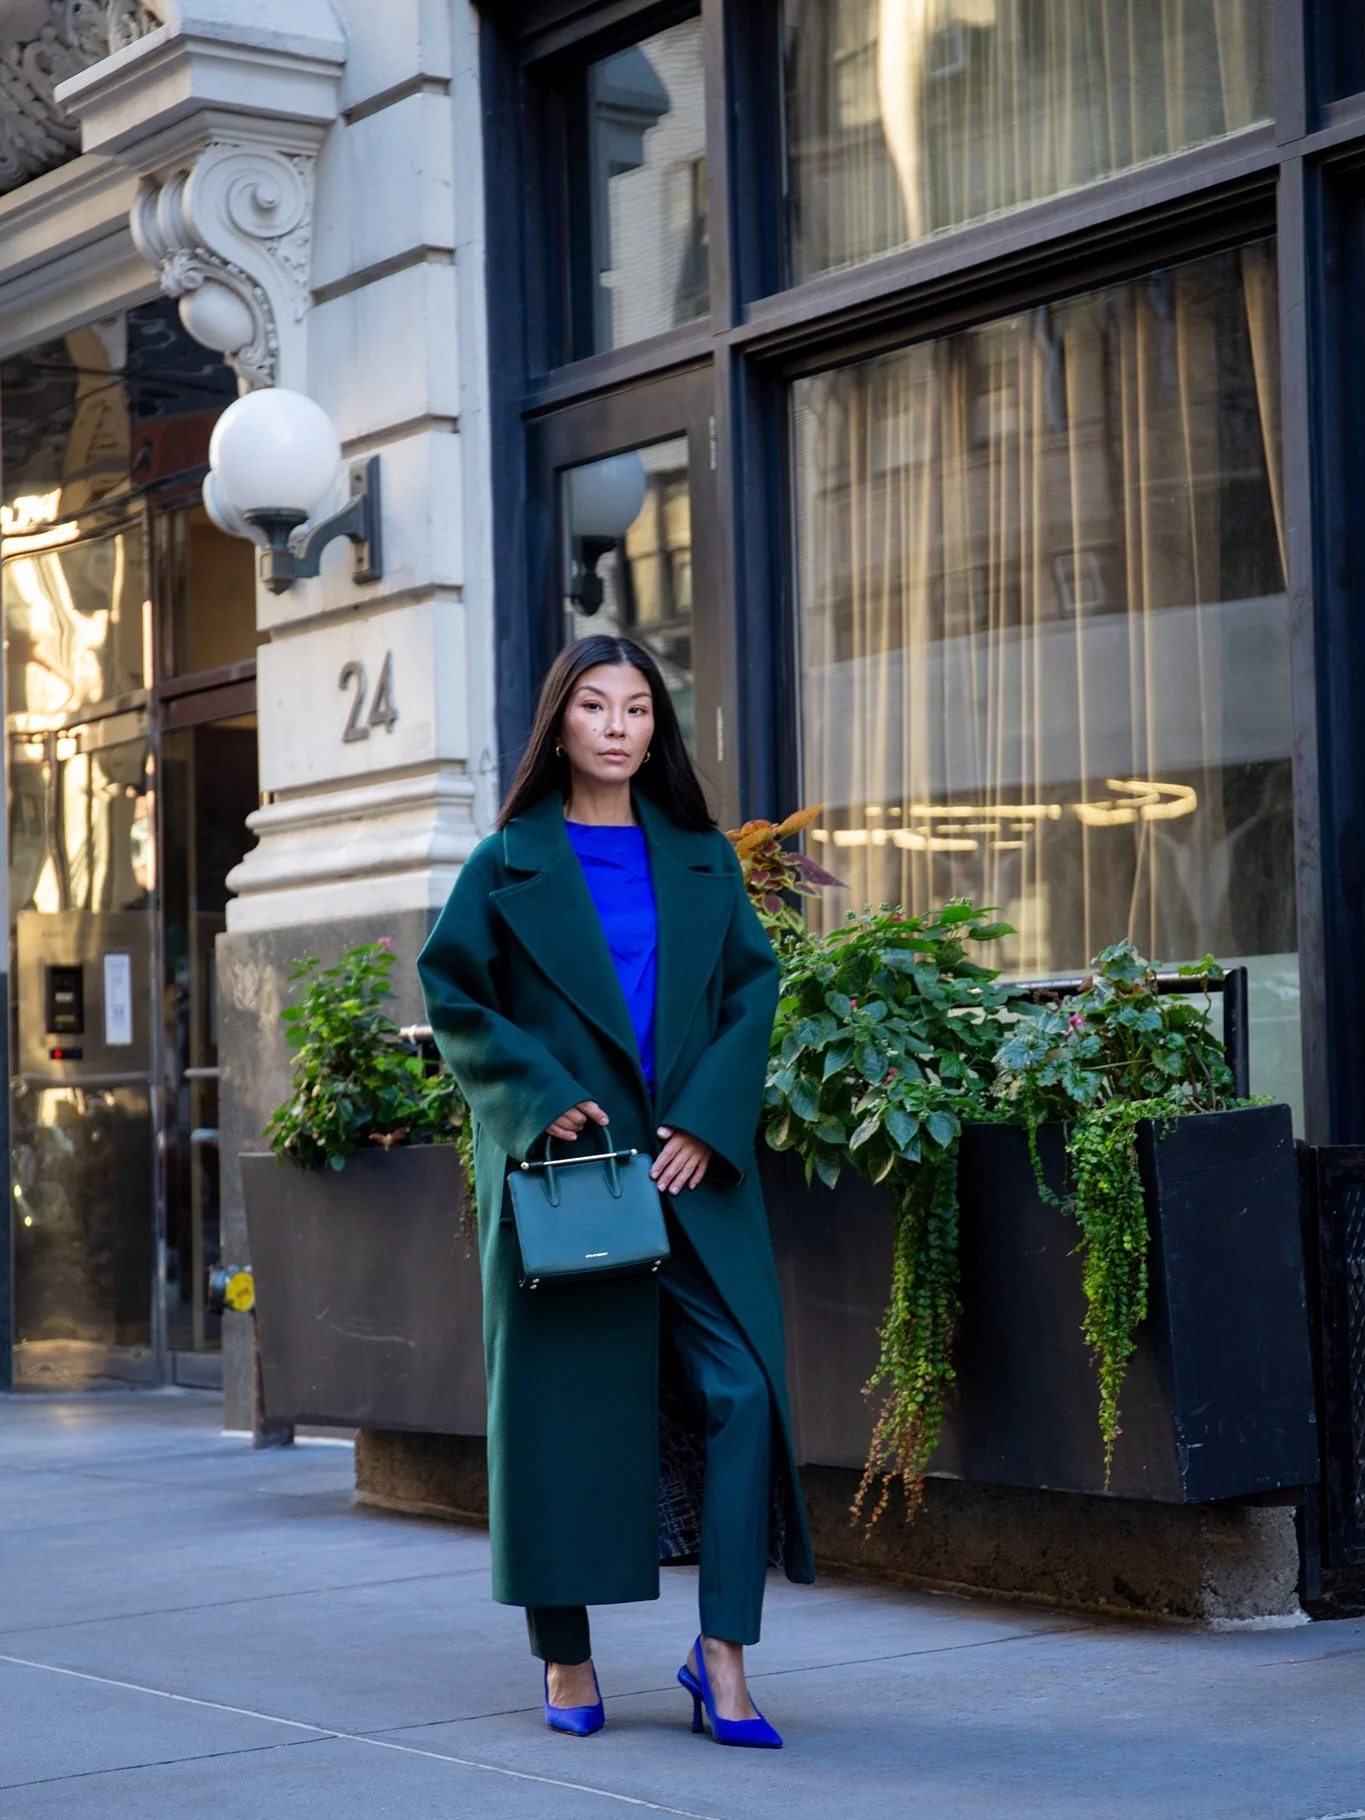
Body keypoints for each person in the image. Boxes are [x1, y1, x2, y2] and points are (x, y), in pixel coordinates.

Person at [417, 634, 814, 1748]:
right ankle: (567, 1654)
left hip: (689, 1172)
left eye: (638, 708)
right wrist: (537, 1097)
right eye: (595, 705)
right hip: (566, 1179)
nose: (618, 725)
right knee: (559, 1414)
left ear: (657, 729)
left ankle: (722, 1657)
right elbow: (455, 994)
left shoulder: (699, 855)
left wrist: (709, 1117)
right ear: (561, 723)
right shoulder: (505, 862)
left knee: (742, 1392)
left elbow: (752, 991)